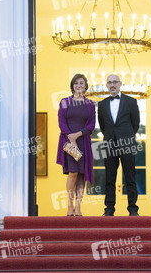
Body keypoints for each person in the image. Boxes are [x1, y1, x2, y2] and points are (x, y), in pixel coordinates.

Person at [98, 74, 140, 216]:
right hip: (109, 144)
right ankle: (109, 209)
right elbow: (102, 126)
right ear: (106, 85)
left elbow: (136, 124)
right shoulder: (102, 104)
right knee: (109, 178)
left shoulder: (131, 102)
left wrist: (125, 136)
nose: (112, 85)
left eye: (115, 82)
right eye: (109, 82)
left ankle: (133, 209)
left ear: (120, 83)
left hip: (127, 143)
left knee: (130, 177)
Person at [56, 73, 95, 216]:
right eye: (76, 83)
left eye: (81, 83)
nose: (79, 86)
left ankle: (78, 207)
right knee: (72, 173)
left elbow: (91, 125)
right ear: (72, 86)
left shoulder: (90, 104)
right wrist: (71, 138)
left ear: (85, 86)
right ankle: (70, 206)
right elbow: (62, 123)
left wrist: (77, 135)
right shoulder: (64, 102)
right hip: (68, 142)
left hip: (83, 141)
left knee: (81, 175)